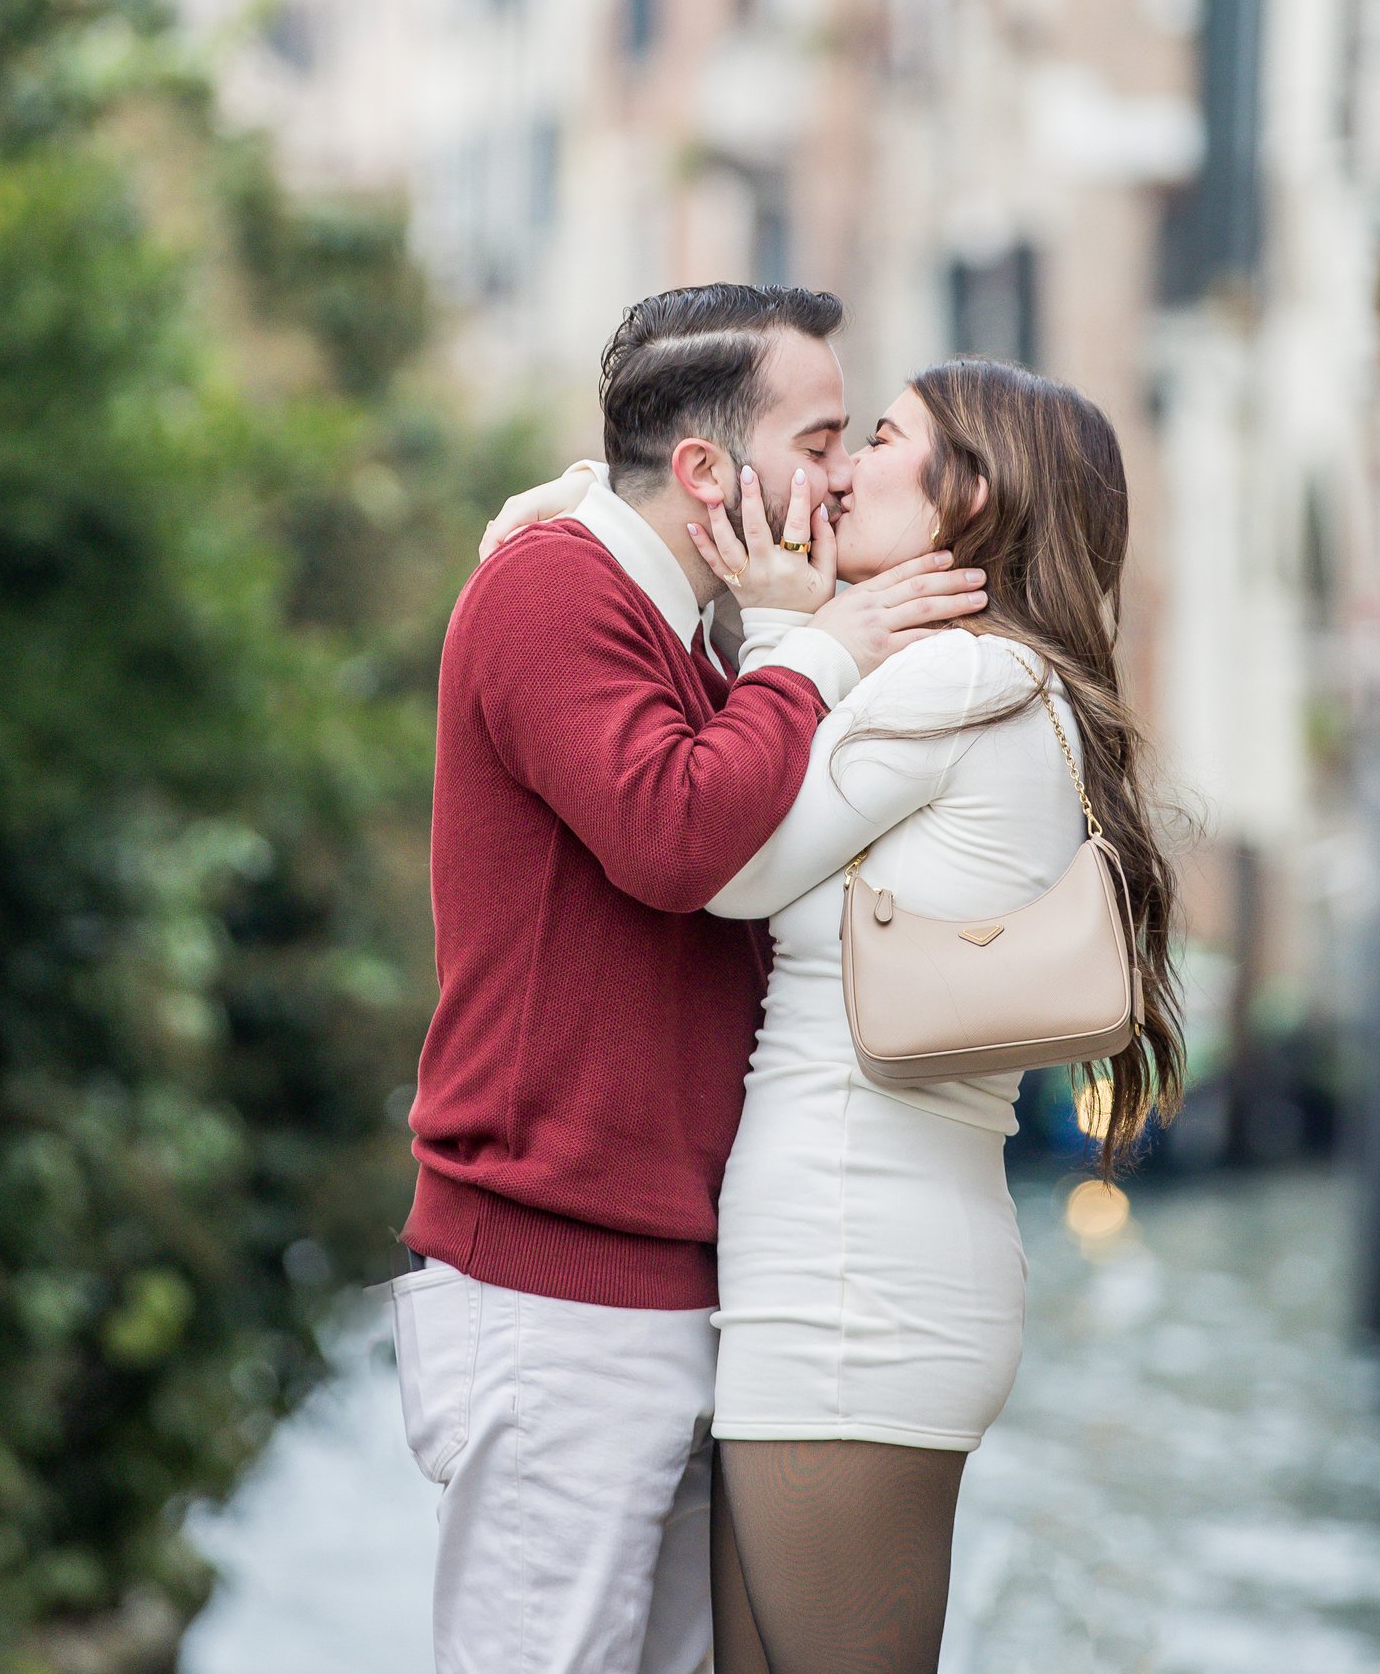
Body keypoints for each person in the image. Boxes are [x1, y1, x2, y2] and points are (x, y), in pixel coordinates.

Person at [493, 358, 1186, 1674]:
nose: (843, 471)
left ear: (967, 495)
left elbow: (727, 862)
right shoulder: (965, 679)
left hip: (855, 1280)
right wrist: (608, 520)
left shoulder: (957, 682)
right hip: (845, 1266)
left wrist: (785, 636)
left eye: (879, 439)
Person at [392, 284, 990, 1674]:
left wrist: (800, 639)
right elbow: (671, 834)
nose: (843, 475)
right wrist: (825, 654)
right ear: (712, 471)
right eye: (825, 435)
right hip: (552, 1282)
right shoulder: (553, 587)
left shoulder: (700, 621)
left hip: (662, 1278)